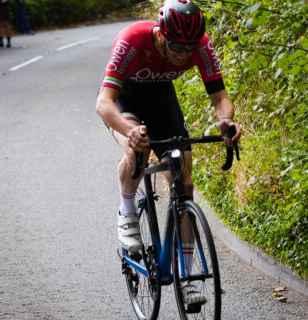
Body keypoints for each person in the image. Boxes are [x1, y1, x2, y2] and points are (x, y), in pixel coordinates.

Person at [96, 0, 241, 305]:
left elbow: (220, 98)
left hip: (162, 103)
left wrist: (225, 121)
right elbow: (103, 102)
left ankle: (186, 277)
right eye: (176, 45)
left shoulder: (200, 46)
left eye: (189, 47)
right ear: (161, 34)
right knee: (136, 153)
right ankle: (127, 213)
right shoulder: (132, 39)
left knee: (184, 184)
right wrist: (129, 131)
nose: (183, 54)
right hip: (126, 102)